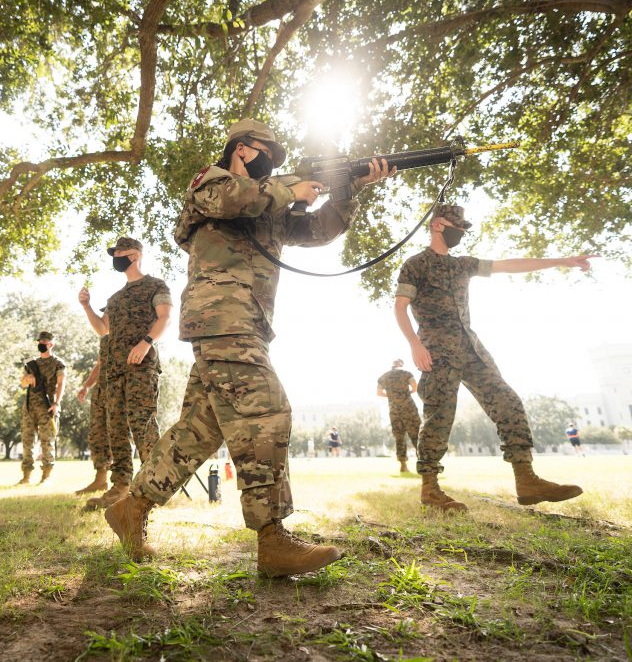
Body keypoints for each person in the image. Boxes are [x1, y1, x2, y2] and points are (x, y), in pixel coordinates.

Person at [103, 118, 394, 576]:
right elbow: (233, 198)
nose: (271, 164)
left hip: (245, 322)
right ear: (241, 149)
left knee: (198, 430)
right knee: (266, 411)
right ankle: (272, 538)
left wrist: (348, 189)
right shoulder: (212, 181)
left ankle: (132, 508)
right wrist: (290, 188)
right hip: (222, 317)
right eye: (266, 154)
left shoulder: (269, 205)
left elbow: (318, 231)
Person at [394, 202, 592, 512]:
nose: (460, 232)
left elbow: (509, 265)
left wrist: (562, 261)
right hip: (437, 351)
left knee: (507, 400)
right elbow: (400, 307)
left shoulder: (463, 265)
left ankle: (526, 479)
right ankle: (430, 488)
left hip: (472, 350)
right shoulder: (416, 264)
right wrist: (414, 345)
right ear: (437, 225)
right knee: (438, 416)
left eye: (462, 228)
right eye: (456, 226)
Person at [78, 237, 172, 509]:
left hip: (141, 368)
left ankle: (152, 487)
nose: (116, 256)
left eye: (120, 252)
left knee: (142, 424)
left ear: (135, 255)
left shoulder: (155, 286)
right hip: (114, 372)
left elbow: (164, 317)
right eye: (114, 253)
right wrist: (87, 306)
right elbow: (102, 329)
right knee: (115, 427)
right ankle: (120, 486)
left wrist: (146, 342)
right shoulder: (115, 298)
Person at [18, 331, 66, 485]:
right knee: (27, 442)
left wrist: (56, 403)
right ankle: (26, 477)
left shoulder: (58, 363)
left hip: (48, 408)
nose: (41, 344)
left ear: (51, 344)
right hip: (29, 408)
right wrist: (28, 378)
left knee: (47, 442)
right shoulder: (31, 364)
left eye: (44, 342)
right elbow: (22, 384)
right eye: (40, 341)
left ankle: (46, 477)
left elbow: (61, 384)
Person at [74, 336, 111, 495]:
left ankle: (124, 482)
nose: (105, 317)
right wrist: (86, 386)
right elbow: (100, 364)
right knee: (97, 435)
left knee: (117, 435)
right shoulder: (106, 340)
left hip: (120, 390)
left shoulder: (133, 331)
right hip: (101, 392)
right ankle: (100, 480)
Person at [377, 359, 420, 473]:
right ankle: (423, 462)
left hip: (394, 410)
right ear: (401, 364)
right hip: (409, 408)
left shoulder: (383, 377)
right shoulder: (406, 373)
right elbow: (415, 386)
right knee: (416, 435)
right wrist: (408, 393)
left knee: (399, 437)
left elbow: (379, 393)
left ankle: (403, 465)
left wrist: (392, 396)